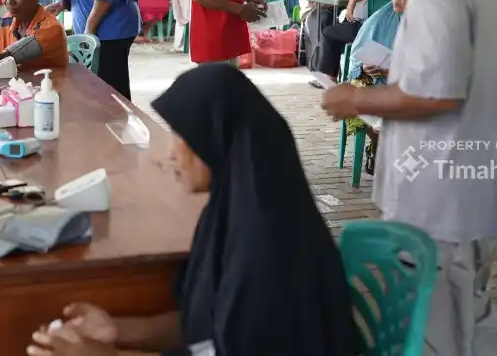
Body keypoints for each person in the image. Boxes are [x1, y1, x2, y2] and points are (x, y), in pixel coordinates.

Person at [320, 0, 497, 356]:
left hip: (443, 194)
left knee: (436, 328)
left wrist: (355, 97)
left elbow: (435, 95)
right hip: (483, 184)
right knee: (472, 311)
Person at [27, 64, 359, 356]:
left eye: (179, 137)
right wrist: (120, 331)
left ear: (213, 138)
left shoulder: (267, 245)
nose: (169, 154)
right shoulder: (232, 210)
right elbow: (210, 328)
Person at [342, 0, 414, 175]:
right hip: (375, 83)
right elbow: (357, 55)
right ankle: (378, 147)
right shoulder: (380, 19)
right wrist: (365, 68)